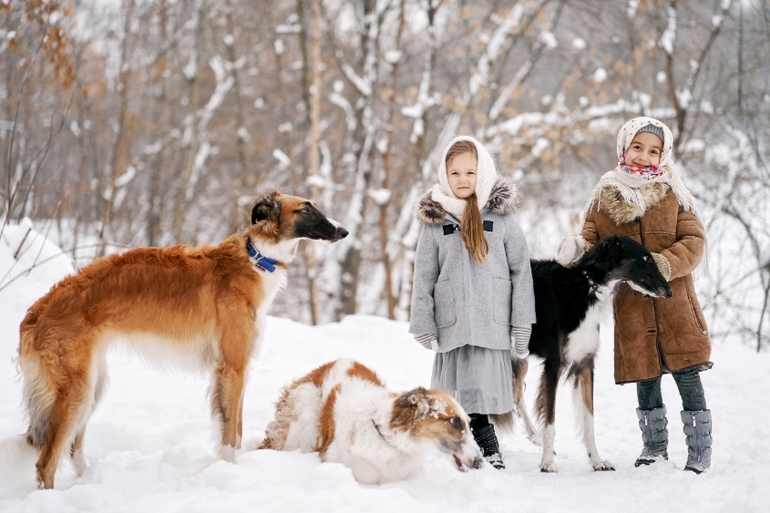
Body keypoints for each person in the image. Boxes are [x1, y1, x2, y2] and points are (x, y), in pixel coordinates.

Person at [556, 116, 713, 473]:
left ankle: (699, 450)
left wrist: (663, 264)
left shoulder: (674, 192)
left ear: (664, 154)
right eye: (637, 147)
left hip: (674, 303)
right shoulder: (604, 196)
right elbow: (593, 239)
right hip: (631, 307)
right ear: (623, 147)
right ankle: (654, 448)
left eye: (653, 150)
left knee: (687, 372)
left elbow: (694, 241)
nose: (644, 156)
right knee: (646, 376)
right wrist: (578, 247)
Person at [409, 135, 536, 470]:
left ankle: (487, 448)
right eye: (455, 173)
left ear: (483, 173)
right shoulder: (435, 222)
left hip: (491, 320)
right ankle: (455, 449)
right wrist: (422, 320)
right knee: (455, 396)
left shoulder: (503, 218)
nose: (463, 180)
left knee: (478, 393)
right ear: (444, 175)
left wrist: (522, 321)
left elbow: (521, 270)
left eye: (470, 172)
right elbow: (424, 274)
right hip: (452, 323)